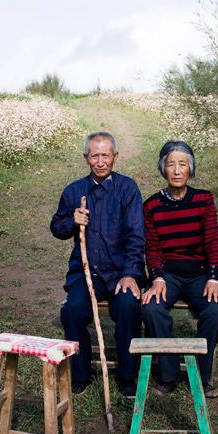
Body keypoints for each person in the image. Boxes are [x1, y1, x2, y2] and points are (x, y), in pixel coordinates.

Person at [50, 131, 145, 398]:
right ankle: (81, 374)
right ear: (86, 158)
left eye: (106, 155)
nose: (100, 161)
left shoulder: (127, 189)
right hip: (85, 272)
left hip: (119, 273)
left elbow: (137, 237)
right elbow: (56, 227)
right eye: (95, 156)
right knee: (73, 311)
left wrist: (130, 275)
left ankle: (127, 376)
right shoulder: (74, 191)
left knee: (128, 307)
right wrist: (72, 220)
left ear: (115, 156)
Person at [141, 140, 218, 398]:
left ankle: (200, 376)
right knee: (152, 309)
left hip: (200, 274)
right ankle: (168, 374)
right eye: (171, 164)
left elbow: (213, 240)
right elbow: (152, 248)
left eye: (183, 164)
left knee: (216, 311)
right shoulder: (152, 206)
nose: (177, 170)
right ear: (163, 169)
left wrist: (213, 279)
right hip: (167, 275)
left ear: (190, 168)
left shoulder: (203, 199)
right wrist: (156, 278)